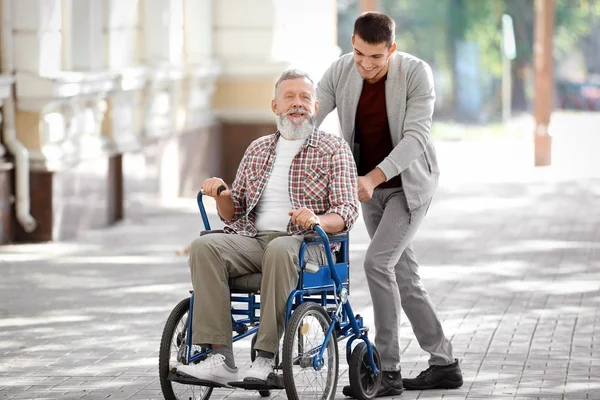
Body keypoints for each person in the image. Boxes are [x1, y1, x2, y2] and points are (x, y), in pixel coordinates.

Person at [176, 69, 359, 386]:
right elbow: (236, 213)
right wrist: (222, 193)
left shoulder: (334, 149)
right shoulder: (258, 149)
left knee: (278, 248)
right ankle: (219, 358)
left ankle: (265, 359)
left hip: (307, 244)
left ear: (315, 106)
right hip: (254, 240)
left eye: (304, 97)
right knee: (205, 246)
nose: (297, 104)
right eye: (289, 97)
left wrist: (317, 219)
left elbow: (346, 210)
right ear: (275, 106)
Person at [315, 11, 463, 397]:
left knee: (377, 263)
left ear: (392, 50)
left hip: (408, 187)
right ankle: (445, 364)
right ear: (353, 42)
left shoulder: (417, 74)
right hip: (368, 190)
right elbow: (311, 112)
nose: (366, 64)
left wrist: (373, 177)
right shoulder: (341, 70)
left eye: (376, 58)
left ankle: (388, 370)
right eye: (360, 54)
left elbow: (416, 138)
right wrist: (284, 137)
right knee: (404, 276)